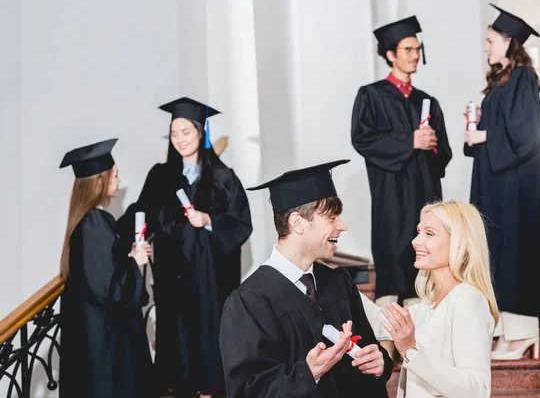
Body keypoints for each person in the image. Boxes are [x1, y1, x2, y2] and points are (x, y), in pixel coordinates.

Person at [220, 160, 393, 397]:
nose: (342, 226)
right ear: (298, 223)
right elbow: (246, 391)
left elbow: (368, 350)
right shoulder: (251, 301)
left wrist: (380, 363)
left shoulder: (338, 283)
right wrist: (309, 373)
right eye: (332, 217)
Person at [117, 97, 253, 397]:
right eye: (174, 133)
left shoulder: (222, 177)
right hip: (172, 274)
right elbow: (142, 213)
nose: (179, 139)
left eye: (186, 132)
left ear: (201, 132)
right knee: (175, 333)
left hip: (209, 277)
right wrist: (114, 236)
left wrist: (208, 220)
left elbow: (240, 222)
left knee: (208, 332)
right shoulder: (160, 175)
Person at [464, 4, 540, 360]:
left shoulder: (524, 78)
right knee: (495, 255)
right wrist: (477, 128)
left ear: (509, 41)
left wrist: (485, 136)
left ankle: (522, 334)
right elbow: (500, 131)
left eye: (490, 40)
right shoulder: (500, 81)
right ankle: (502, 332)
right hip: (495, 185)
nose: (486, 47)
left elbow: (527, 137)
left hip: (516, 188)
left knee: (516, 253)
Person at [352, 15, 452, 306]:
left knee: (425, 261)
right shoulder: (370, 96)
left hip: (424, 193)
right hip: (391, 196)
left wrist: (432, 146)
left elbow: (443, 152)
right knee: (394, 259)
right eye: (408, 49)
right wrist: (410, 141)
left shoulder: (427, 101)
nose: (415, 55)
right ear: (390, 54)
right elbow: (362, 139)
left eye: (417, 49)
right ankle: (387, 343)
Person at [59, 138, 154, 398]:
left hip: (94, 333)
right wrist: (134, 262)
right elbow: (110, 287)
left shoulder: (86, 222)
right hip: (105, 339)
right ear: (99, 181)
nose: (119, 180)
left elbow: (102, 273)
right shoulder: (95, 223)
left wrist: (130, 257)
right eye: (115, 175)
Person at [383, 200, 499, 397]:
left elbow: (477, 390)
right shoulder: (426, 307)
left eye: (429, 233)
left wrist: (411, 352)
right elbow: (374, 316)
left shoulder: (467, 300)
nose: (415, 241)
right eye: (419, 232)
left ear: (459, 242)